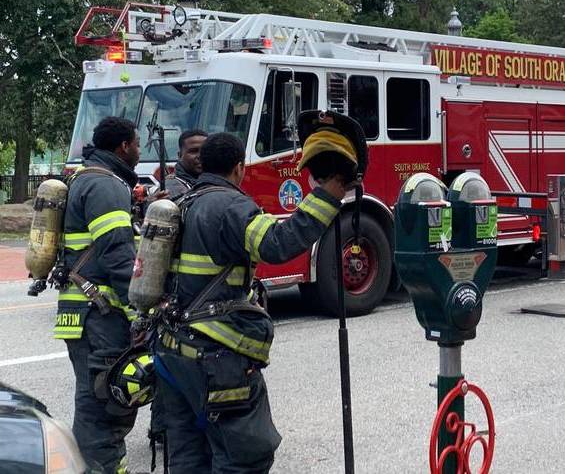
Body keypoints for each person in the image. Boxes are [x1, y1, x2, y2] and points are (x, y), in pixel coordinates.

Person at [155, 124, 353, 473]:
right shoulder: (230, 206)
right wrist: (328, 196)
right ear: (238, 168)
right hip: (216, 359)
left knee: (188, 457)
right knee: (242, 458)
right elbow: (278, 243)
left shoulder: (179, 204)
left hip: (173, 353)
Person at [54, 116, 142, 473]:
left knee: (94, 398)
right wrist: (140, 308)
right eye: (137, 144)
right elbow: (117, 253)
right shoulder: (105, 186)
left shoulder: (87, 178)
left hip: (83, 310)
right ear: (123, 146)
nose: (139, 150)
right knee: (105, 402)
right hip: (100, 312)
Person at [165, 129, 209, 200]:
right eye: (193, 151)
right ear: (180, 155)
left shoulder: (221, 183)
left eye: (205, 151)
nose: (200, 156)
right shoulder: (170, 190)